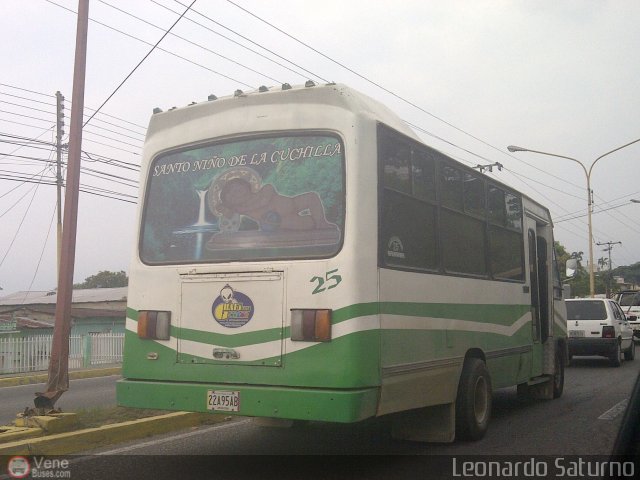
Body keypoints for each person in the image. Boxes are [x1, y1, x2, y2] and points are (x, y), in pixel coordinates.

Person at [217, 177, 335, 231]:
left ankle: (322, 222)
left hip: (293, 203)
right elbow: (225, 212)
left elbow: (265, 201)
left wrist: (245, 208)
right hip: (278, 222)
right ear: (231, 203)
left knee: (312, 197)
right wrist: (227, 207)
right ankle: (315, 223)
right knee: (308, 223)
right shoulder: (241, 209)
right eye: (231, 195)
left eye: (236, 187)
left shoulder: (266, 188)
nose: (235, 192)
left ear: (246, 185)